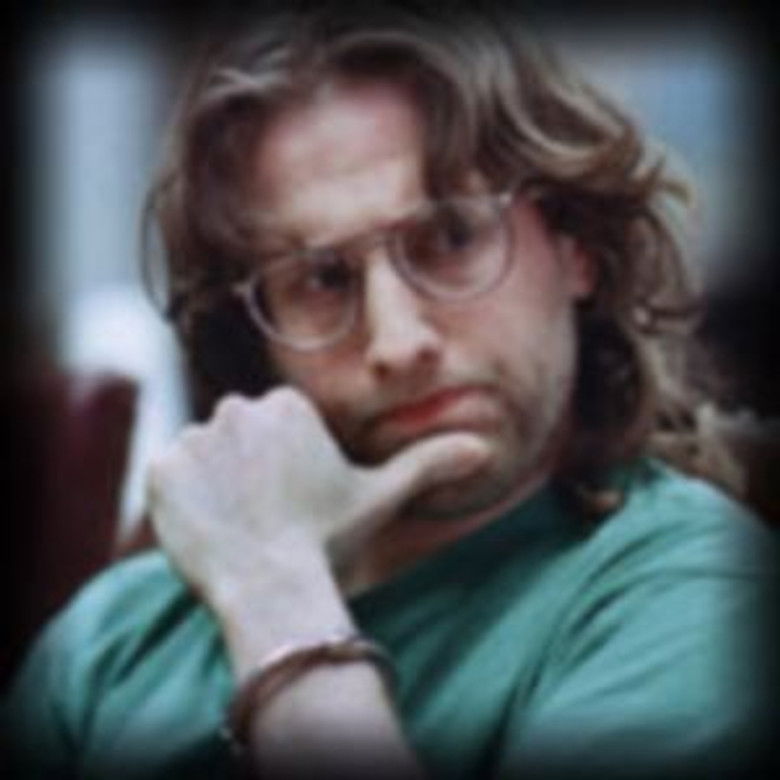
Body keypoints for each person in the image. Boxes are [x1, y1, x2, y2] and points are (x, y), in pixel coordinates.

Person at [6, 3, 775, 778]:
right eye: (323, 279)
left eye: (451, 239)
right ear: (257, 337)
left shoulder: (701, 595)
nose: (398, 343)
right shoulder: (106, 643)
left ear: (575, 247)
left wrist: (277, 607)